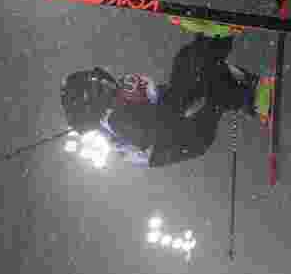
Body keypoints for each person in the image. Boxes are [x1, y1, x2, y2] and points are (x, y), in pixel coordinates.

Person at [60, 17, 274, 167]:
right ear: (93, 99)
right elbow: (156, 129)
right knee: (197, 72)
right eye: (97, 84)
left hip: (180, 124)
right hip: (185, 136)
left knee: (200, 71)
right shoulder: (117, 120)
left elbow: (166, 100)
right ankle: (218, 42)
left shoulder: (118, 105)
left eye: (99, 79)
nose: (105, 82)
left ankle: (250, 97)